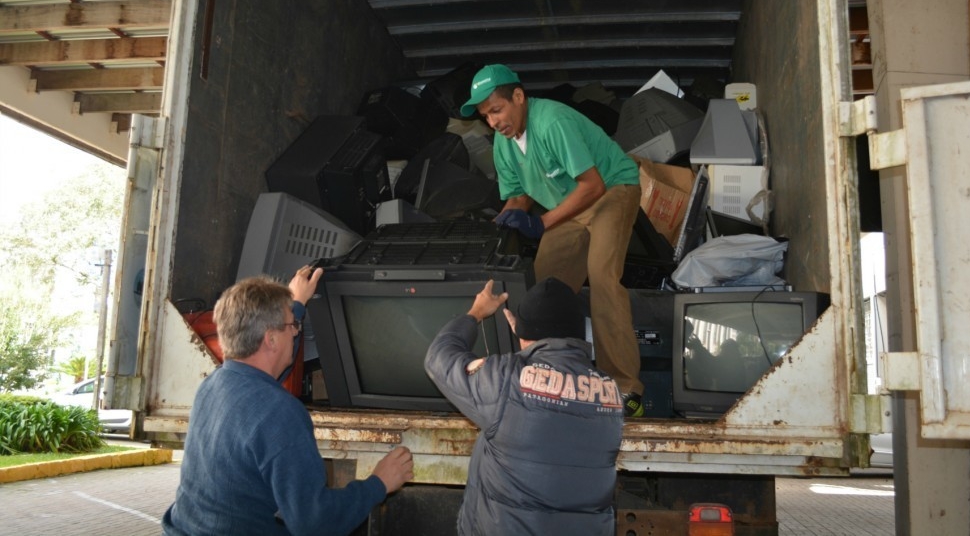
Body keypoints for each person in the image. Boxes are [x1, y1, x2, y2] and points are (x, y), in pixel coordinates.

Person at [162, 266, 414, 536]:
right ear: (270, 339)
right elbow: (315, 523)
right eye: (291, 326)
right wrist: (379, 483)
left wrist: (296, 305)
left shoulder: (212, 386)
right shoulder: (280, 413)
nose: (295, 332)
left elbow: (270, 367)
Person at [459, 63, 645, 417]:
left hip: (612, 189)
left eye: (497, 110)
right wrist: (503, 224)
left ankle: (624, 387)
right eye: (486, 116)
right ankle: (550, 377)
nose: (494, 122)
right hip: (568, 205)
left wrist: (541, 223)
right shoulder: (503, 142)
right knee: (542, 288)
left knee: (602, 275)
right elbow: (516, 197)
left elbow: (593, 186)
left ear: (518, 97)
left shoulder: (553, 122)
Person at [424, 278, 624, 536]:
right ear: (578, 332)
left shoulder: (505, 380)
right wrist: (527, 344)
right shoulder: (611, 393)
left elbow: (439, 357)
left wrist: (476, 313)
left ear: (523, 334)